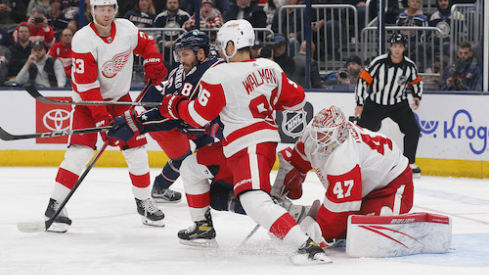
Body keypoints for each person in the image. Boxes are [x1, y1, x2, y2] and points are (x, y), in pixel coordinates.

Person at [158, 19, 331, 264]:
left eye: (221, 45)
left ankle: (306, 247)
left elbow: (197, 116)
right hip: (243, 144)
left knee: (252, 200)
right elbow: (298, 100)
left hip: (249, 145)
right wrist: (265, 99)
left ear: (231, 44)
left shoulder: (219, 73)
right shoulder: (270, 67)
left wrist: (174, 106)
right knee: (191, 167)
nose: (219, 51)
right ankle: (202, 228)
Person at [42, 0, 168, 233]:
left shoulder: (127, 28)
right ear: (93, 10)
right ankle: (55, 204)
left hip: (120, 101)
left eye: (110, 8)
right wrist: (101, 118)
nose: (107, 13)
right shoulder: (82, 38)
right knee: (79, 153)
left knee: (137, 150)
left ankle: (144, 203)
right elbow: (87, 86)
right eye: (101, 9)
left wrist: (152, 59)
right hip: (87, 104)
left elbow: (147, 43)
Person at [108, 30, 224, 203]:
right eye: (180, 55)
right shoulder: (184, 72)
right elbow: (170, 116)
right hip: (167, 118)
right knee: (183, 159)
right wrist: (137, 123)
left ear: (201, 53)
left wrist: (137, 123)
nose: (181, 59)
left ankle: (219, 186)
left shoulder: (211, 70)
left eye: (186, 54)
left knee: (206, 146)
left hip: (183, 117)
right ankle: (160, 188)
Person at [274, 105, 413, 245]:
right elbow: (298, 161)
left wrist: (312, 238)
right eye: (318, 132)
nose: (319, 138)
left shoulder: (345, 156)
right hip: (364, 185)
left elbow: (341, 212)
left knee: (364, 233)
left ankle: (384, 214)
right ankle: (312, 214)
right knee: (350, 224)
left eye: (325, 133)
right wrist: (286, 188)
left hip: (392, 185)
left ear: (339, 133)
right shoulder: (311, 132)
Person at [354, 33, 422, 178]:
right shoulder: (378, 63)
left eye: (400, 47)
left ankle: (409, 163)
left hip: (399, 104)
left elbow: (416, 82)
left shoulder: (409, 66)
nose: (397, 50)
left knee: (413, 130)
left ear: (404, 49)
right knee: (361, 132)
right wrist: (360, 103)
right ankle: (357, 160)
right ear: (390, 47)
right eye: (395, 46)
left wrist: (417, 96)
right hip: (375, 103)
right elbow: (362, 80)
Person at [153, 0, 190, 66]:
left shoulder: (185, 16)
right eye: (170, 3)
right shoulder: (160, 17)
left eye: (174, 2)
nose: (172, 4)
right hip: (163, 44)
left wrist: (176, 42)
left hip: (180, 44)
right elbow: (156, 32)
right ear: (166, 3)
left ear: (178, 3)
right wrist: (163, 42)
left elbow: (187, 32)